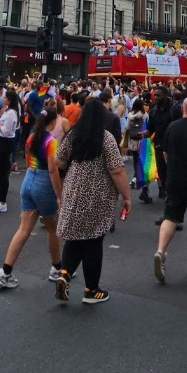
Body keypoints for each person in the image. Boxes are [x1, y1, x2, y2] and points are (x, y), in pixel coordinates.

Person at [49, 96, 130, 305]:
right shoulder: (105, 138)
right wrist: (126, 196)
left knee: (74, 237)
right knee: (93, 240)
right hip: (97, 195)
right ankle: (91, 290)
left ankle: (64, 273)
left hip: (73, 192)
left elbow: (58, 161)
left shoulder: (74, 134)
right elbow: (117, 170)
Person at [0, 102, 64, 288]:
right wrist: (59, 195)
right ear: (53, 121)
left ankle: (5, 271)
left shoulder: (31, 137)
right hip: (43, 184)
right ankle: (57, 268)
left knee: (24, 229)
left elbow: (27, 161)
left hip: (28, 180)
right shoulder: (51, 141)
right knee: (52, 228)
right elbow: (53, 169)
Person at [152, 96, 187, 286]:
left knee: (170, 217)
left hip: (173, 179)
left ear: (182, 108)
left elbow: (165, 153)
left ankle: (161, 251)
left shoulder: (172, 127)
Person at [0, 88, 19, 213]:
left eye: (5, 98)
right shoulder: (7, 111)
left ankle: (3, 201)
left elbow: (6, 131)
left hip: (5, 142)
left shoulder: (12, 113)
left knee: (2, 171)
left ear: (10, 100)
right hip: (0, 140)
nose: (3, 99)